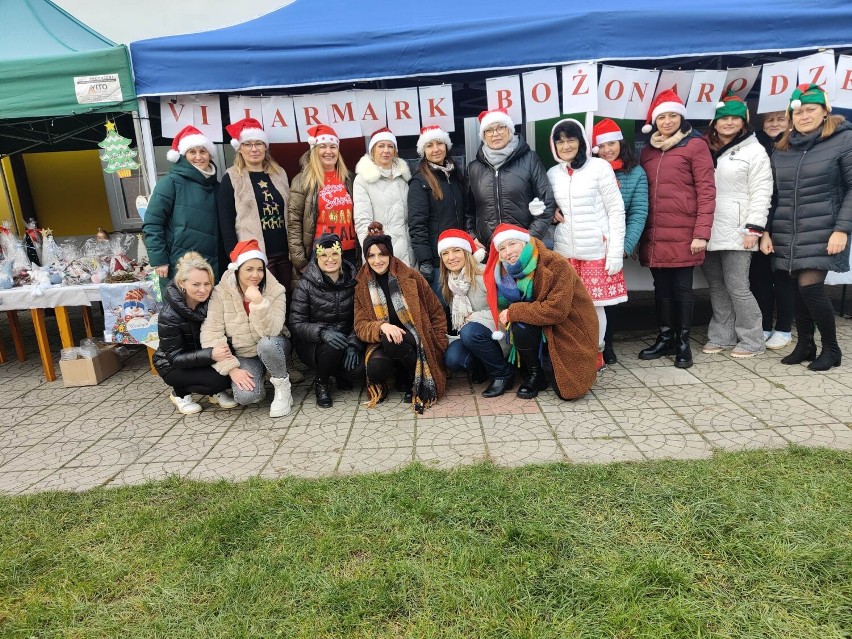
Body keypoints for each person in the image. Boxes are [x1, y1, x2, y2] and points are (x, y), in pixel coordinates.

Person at [761, 83, 852, 371]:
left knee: (810, 288)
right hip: (788, 230)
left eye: (810, 109)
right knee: (796, 290)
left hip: (826, 230)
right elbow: (773, 195)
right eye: (797, 112)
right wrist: (766, 231)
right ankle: (805, 344)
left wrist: (842, 229)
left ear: (825, 112)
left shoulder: (844, 140)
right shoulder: (782, 148)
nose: (803, 116)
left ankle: (832, 348)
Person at [638, 89, 716, 368]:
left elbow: (707, 191)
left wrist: (701, 233)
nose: (667, 121)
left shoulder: (695, 146)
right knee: (661, 289)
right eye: (662, 116)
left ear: (681, 118)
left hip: (685, 232)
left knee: (683, 289)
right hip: (656, 232)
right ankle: (665, 338)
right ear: (654, 121)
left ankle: (683, 344)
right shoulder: (647, 151)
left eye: (673, 115)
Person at [483, 223, 598, 400]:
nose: (508, 252)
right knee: (520, 326)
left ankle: (545, 364)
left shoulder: (555, 264)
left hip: (567, 324)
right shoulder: (503, 272)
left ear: (524, 243)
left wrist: (514, 311)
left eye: (512, 244)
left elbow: (557, 310)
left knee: (568, 391)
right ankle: (535, 374)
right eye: (502, 248)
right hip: (536, 323)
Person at [547, 118, 626, 371]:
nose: (566, 145)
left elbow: (616, 210)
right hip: (565, 250)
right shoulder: (552, 174)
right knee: (569, 307)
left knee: (594, 308)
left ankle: (597, 353)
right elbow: (548, 206)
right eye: (560, 141)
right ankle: (575, 352)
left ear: (581, 141)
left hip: (595, 251)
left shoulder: (600, 167)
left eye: (571, 139)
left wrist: (614, 252)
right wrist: (551, 212)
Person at [702, 93, 772, 359]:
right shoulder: (705, 148)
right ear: (715, 123)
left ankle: (752, 339)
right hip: (708, 227)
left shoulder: (755, 150)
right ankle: (722, 335)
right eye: (723, 118)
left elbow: (762, 191)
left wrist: (754, 228)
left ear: (743, 122)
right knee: (717, 286)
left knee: (737, 286)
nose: (728, 123)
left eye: (734, 118)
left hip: (739, 228)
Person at [354, 222, 447, 413]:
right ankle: (401, 372)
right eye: (371, 255)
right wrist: (381, 326)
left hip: (417, 337)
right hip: (386, 340)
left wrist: (440, 343)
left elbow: (436, 311)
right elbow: (360, 325)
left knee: (392, 341)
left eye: (382, 254)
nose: (377, 260)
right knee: (375, 368)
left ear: (390, 254)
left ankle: (414, 378)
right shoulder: (362, 285)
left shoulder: (411, 276)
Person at [200, 239, 293, 417]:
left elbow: (272, 331)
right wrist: (231, 369)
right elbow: (211, 333)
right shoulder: (220, 293)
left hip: (274, 344)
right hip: (245, 352)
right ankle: (261, 381)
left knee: (267, 344)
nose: (256, 275)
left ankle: (283, 388)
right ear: (237, 269)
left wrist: (258, 302)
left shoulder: (275, 290)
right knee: (246, 397)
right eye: (249, 269)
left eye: (260, 269)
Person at [591, 118, 649, 364]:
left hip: (614, 245)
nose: (607, 150)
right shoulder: (589, 169)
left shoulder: (635, 172)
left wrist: (624, 247)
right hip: (589, 243)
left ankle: (608, 343)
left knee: (609, 298)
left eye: (611, 144)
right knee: (590, 297)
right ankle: (590, 342)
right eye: (602, 146)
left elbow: (638, 211)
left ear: (620, 143)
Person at [153, 251, 238, 415]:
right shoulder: (169, 315)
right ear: (182, 283)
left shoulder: (212, 301)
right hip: (172, 364)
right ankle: (180, 393)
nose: (203, 290)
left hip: (203, 356)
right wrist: (211, 354)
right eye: (196, 284)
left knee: (233, 374)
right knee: (219, 380)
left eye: (207, 284)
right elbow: (175, 357)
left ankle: (214, 391)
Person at [437, 229, 516, 397]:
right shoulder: (451, 281)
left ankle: (502, 374)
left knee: (469, 331)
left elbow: (504, 307)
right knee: (453, 359)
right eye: (445, 253)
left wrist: (475, 318)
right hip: (472, 334)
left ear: (467, 252)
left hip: (497, 330)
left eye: (456, 250)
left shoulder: (485, 274)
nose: (451, 257)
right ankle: (483, 365)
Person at [289, 233, 363, 408]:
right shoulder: (305, 284)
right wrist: (322, 332)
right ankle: (322, 383)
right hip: (313, 344)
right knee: (331, 348)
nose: (330, 259)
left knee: (358, 371)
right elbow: (296, 323)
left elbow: (361, 316)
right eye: (324, 255)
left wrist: (354, 343)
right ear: (317, 257)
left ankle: (338, 373)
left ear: (341, 255)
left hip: (345, 339)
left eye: (334, 254)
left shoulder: (354, 281)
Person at [466, 108, 555, 248]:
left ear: (509, 130)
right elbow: (468, 210)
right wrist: (473, 236)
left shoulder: (530, 159)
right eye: (488, 130)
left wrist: (528, 239)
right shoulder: (473, 168)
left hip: (524, 247)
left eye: (500, 127)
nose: (495, 134)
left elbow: (547, 203)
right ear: (483, 135)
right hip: (489, 249)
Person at [219, 117, 291, 289]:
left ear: (265, 147)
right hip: (254, 256)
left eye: (258, 144)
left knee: (288, 299)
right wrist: (235, 257)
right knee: (263, 301)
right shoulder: (232, 178)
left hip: (285, 252)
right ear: (240, 149)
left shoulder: (279, 173)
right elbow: (226, 221)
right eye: (248, 144)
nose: (254, 149)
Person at [143, 125, 221, 278]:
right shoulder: (170, 182)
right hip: (178, 265)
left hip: (212, 266)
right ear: (183, 156)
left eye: (203, 151)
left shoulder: (217, 187)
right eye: (192, 152)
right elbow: (153, 224)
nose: (198, 157)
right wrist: (160, 260)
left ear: (210, 155)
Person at [287, 124, 357, 277]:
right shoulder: (302, 181)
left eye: (333, 147)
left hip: (350, 252)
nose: (328, 151)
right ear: (314, 151)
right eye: (322, 147)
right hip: (322, 254)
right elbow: (294, 223)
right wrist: (300, 262)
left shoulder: (349, 178)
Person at [750, 109, 795, 350]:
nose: (775, 123)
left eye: (781, 119)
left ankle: (784, 328)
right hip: (758, 220)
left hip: (786, 220)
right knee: (759, 277)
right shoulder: (755, 144)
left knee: (784, 276)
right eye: (770, 119)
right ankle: (764, 325)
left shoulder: (796, 145)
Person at [408, 126, 467, 297]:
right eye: (429, 145)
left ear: (446, 146)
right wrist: (425, 260)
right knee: (441, 310)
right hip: (437, 261)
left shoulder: (455, 176)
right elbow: (417, 224)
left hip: (459, 256)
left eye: (439, 143)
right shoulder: (420, 182)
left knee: (462, 307)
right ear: (423, 151)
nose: (435, 149)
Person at [353, 128, 414, 266]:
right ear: (373, 150)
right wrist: (371, 252)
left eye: (390, 146)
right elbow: (363, 222)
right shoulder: (363, 179)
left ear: (395, 150)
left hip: (408, 252)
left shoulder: (404, 177)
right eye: (381, 146)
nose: (386, 150)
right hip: (380, 254)